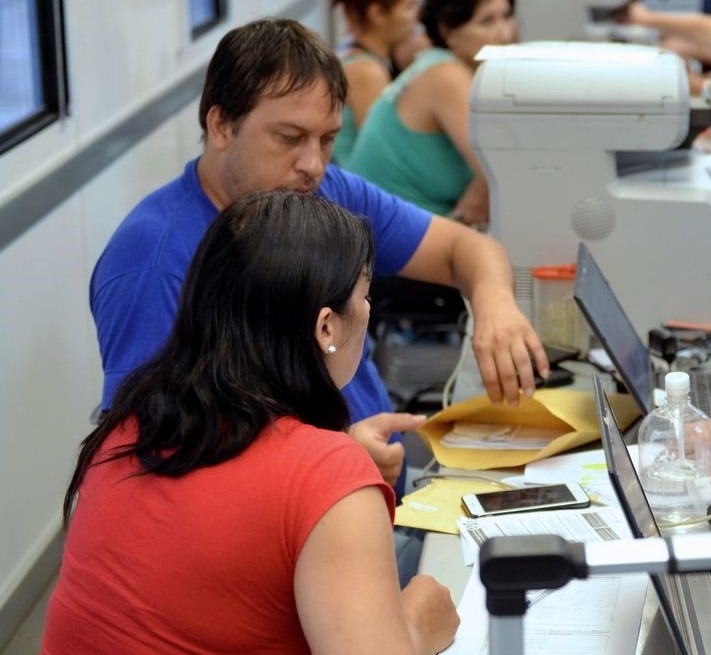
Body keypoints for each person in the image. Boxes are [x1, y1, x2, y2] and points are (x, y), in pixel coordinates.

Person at [90, 18, 547, 505]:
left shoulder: (323, 192)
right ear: (221, 125)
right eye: (289, 138)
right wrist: (331, 462)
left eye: (327, 140)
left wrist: (495, 304)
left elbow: (466, 249)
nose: (313, 164)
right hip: (302, 531)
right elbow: (152, 470)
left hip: (371, 494)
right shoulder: (154, 264)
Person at [45, 191, 460, 654]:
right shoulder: (329, 473)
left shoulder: (129, 425)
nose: (367, 311)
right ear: (326, 327)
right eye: (366, 295)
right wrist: (419, 627)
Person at [347, 0, 515, 227]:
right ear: (448, 31)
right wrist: (483, 183)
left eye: (506, 16)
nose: (505, 34)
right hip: (392, 240)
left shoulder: (440, 66)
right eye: (486, 22)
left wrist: (482, 184)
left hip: (407, 230)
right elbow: (503, 170)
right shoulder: (445, 75)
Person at [331, 0, 423, 167]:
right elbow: (383, 152)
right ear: (377, 14)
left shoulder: (360, 54)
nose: (417, 16)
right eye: (409, 7)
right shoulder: (366, 70)